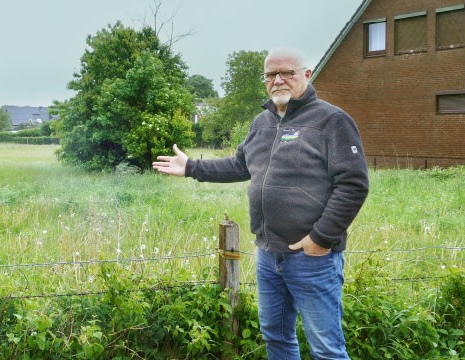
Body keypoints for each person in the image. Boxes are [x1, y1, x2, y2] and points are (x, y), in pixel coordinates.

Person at [152, 48, 369, 359]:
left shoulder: (332, 121)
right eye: (270, 75)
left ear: (306, 75)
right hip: (269, 255)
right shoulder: (262, 122)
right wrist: (191, 168)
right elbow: (240, 165)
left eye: (287, 73)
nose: (278, 80)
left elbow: (353, 184)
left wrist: (320, 239)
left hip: (312, 258)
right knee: (276, 338)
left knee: (327, 349)